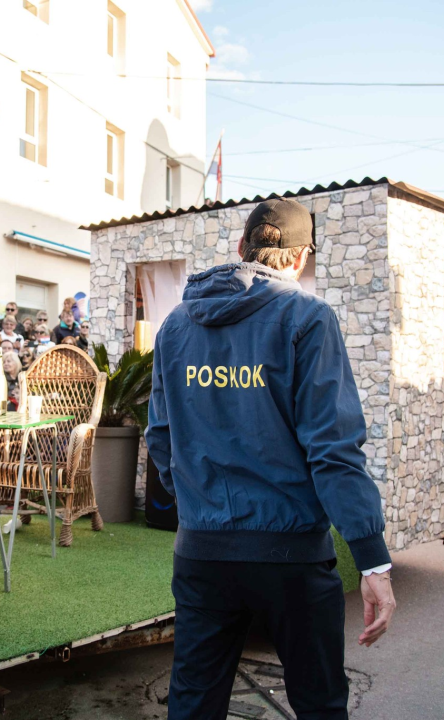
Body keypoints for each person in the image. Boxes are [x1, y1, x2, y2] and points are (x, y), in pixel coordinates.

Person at [145, 198, 394, 720]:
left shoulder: (174, 326)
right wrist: (371, 558)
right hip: (292, 558)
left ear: (241, 248)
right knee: (319, 702)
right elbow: (333, 451)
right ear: (301, 260)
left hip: (203, 552)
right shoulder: (309, 317)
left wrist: (196, 503)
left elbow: (161, 438)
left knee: (193, 703)